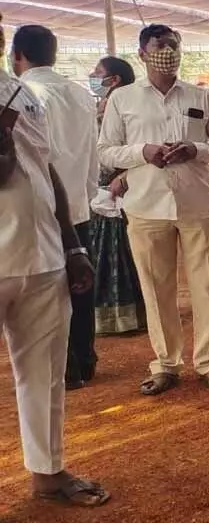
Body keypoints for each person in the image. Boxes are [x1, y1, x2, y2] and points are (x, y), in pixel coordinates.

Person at [0, 31, 108, 508]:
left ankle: (48, 472)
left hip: (43, 254)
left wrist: (73, 244)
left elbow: (47, 169)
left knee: (44, 373)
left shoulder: (20, 92)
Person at [97, 24, 209, 395]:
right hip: (146, 205)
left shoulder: (200, 97)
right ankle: (166, 364)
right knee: (156, 289)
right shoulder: (122, 99)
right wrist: (143, 152)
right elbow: (106, 150)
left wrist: (196, 150)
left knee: (208, 286)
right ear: (141, 53)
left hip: (196, 203)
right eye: (160, 45)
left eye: (174, 44)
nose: (168, 50)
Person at [10, 25, 101, 389]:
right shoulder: (80, 94)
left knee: (46, 290)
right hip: (78, 202)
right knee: (80, 283)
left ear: (17, 55)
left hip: (41, 209)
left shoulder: (23, 93)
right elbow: (92, 153)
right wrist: (88, 194)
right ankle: (85, 356)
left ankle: (65, 367)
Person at [88, 56, 146, 336]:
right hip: (101, 184)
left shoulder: (125, 106)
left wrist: (123, 176)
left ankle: (123, 312)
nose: (93, 77)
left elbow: (132, 146)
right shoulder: (103, 104)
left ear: (115, 79)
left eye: (98, 73)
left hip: (118, 185)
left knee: (116, 248)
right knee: (105, 248)